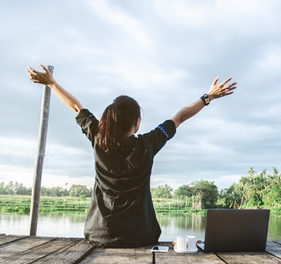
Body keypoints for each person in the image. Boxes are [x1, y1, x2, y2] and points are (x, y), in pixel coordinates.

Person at [27, 65, 237, 247]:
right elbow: (179, 117)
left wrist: (52, 83)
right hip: (141, 236)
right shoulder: (148, 144)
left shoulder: (99, 137)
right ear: (137, 122)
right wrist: (207, 97)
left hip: (100, 235)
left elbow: (76, 107)